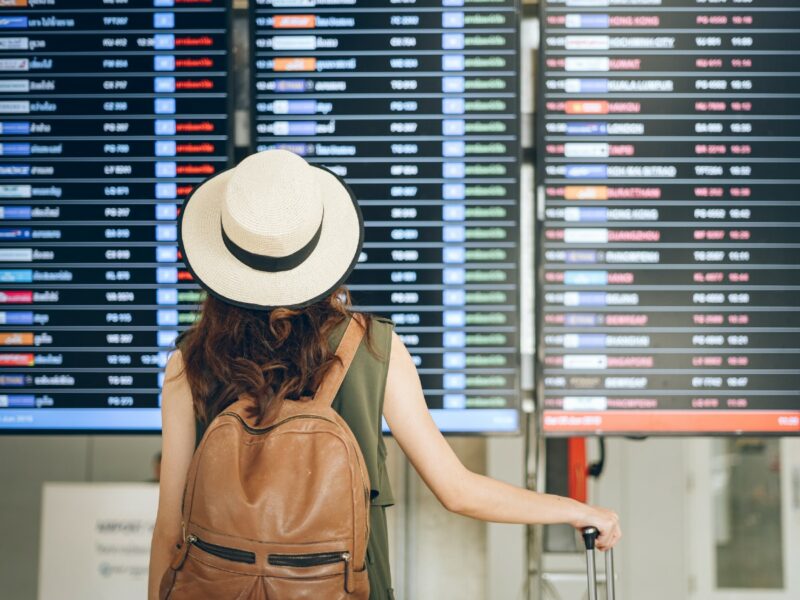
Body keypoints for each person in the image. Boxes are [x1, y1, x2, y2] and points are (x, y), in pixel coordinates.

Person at [148, 150, 621, 600]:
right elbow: (456, 490)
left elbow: (170, 528)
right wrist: (575, 510)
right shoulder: (373, 347)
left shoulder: (188, 362)